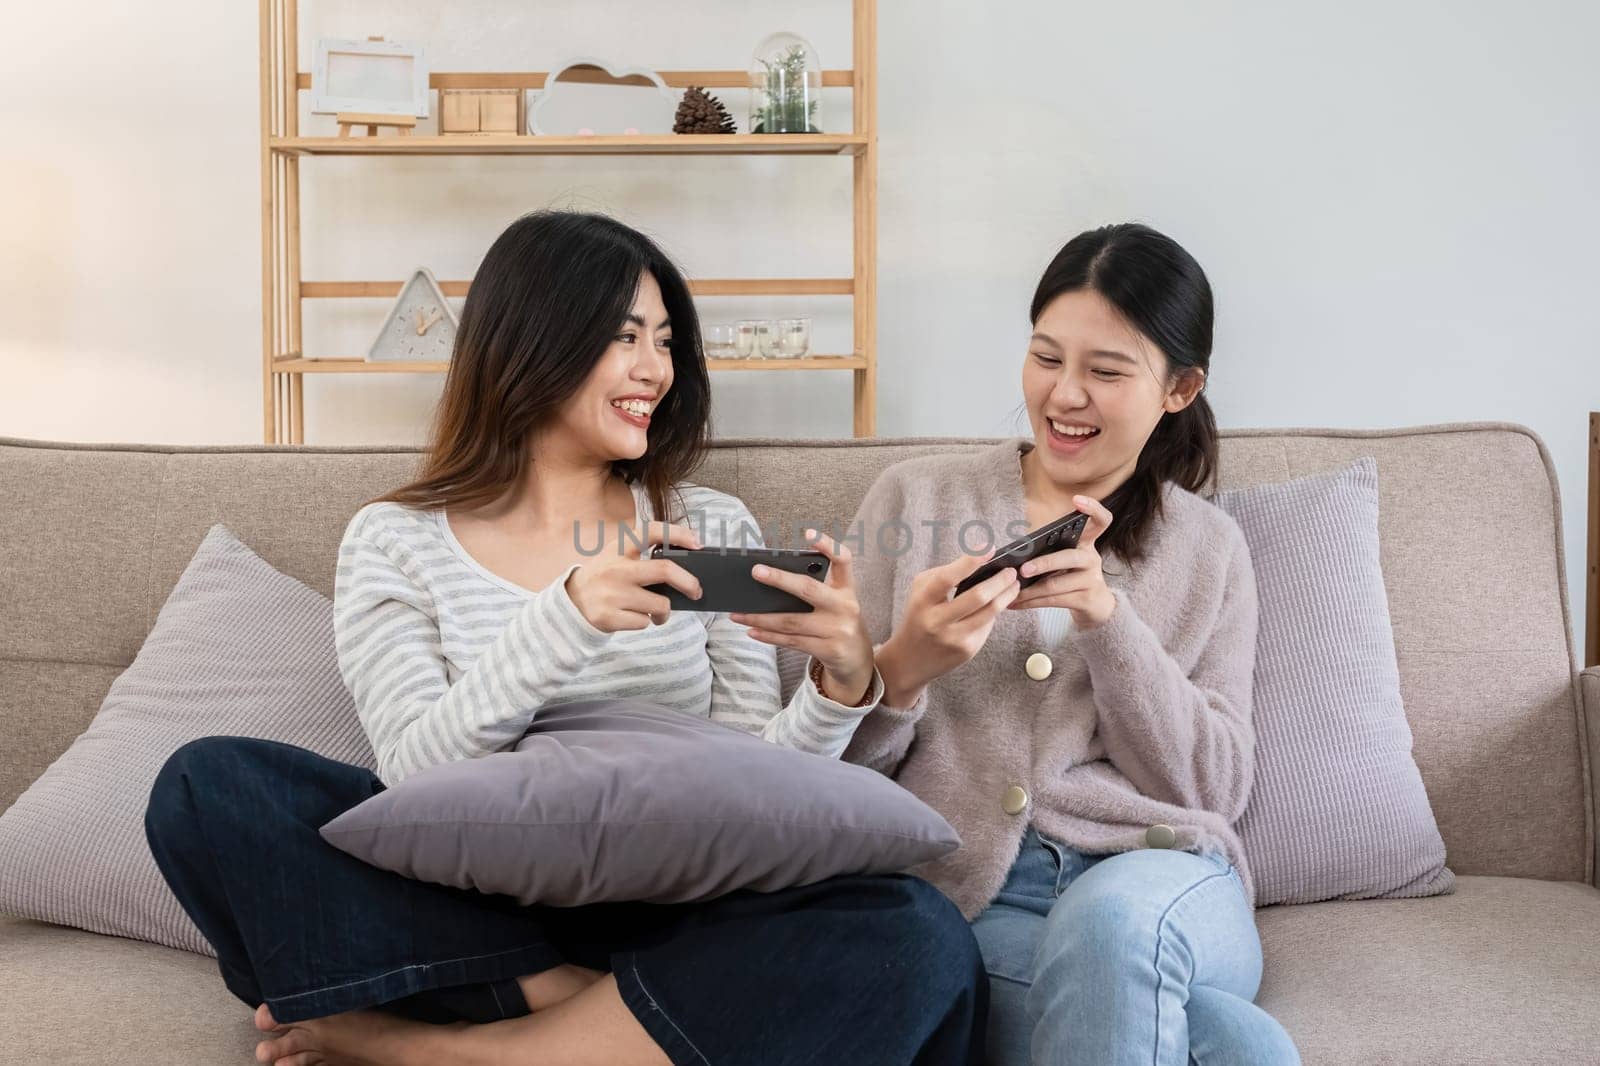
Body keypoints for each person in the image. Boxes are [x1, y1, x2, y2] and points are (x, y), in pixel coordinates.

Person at [144, 209, 987, 1066]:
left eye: (665, 341)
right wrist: (568, 615)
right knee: (209, 787)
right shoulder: (394, 538)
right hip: (475, 905)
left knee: (919, 936)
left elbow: (753, 793)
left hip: (682, 911)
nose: (655, 369)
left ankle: (434, 1050)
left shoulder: (703, 525)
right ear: (536, 342)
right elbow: (414, 773)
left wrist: (839, 686)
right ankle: (606, 1015)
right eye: (626, 338)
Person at [834, 223, 1301, 1064]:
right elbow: (828, 779)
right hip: (976, 897)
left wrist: (1109, 626)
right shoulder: (915, 500)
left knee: (1112, 926)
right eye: (1047, 358)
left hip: (1165, 877)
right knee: (1234, 1045)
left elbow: (1215, 786)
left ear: (1180, 388)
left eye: (1106, 371)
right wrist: (904, 672)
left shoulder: (1208, 547)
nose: (1064, 395)